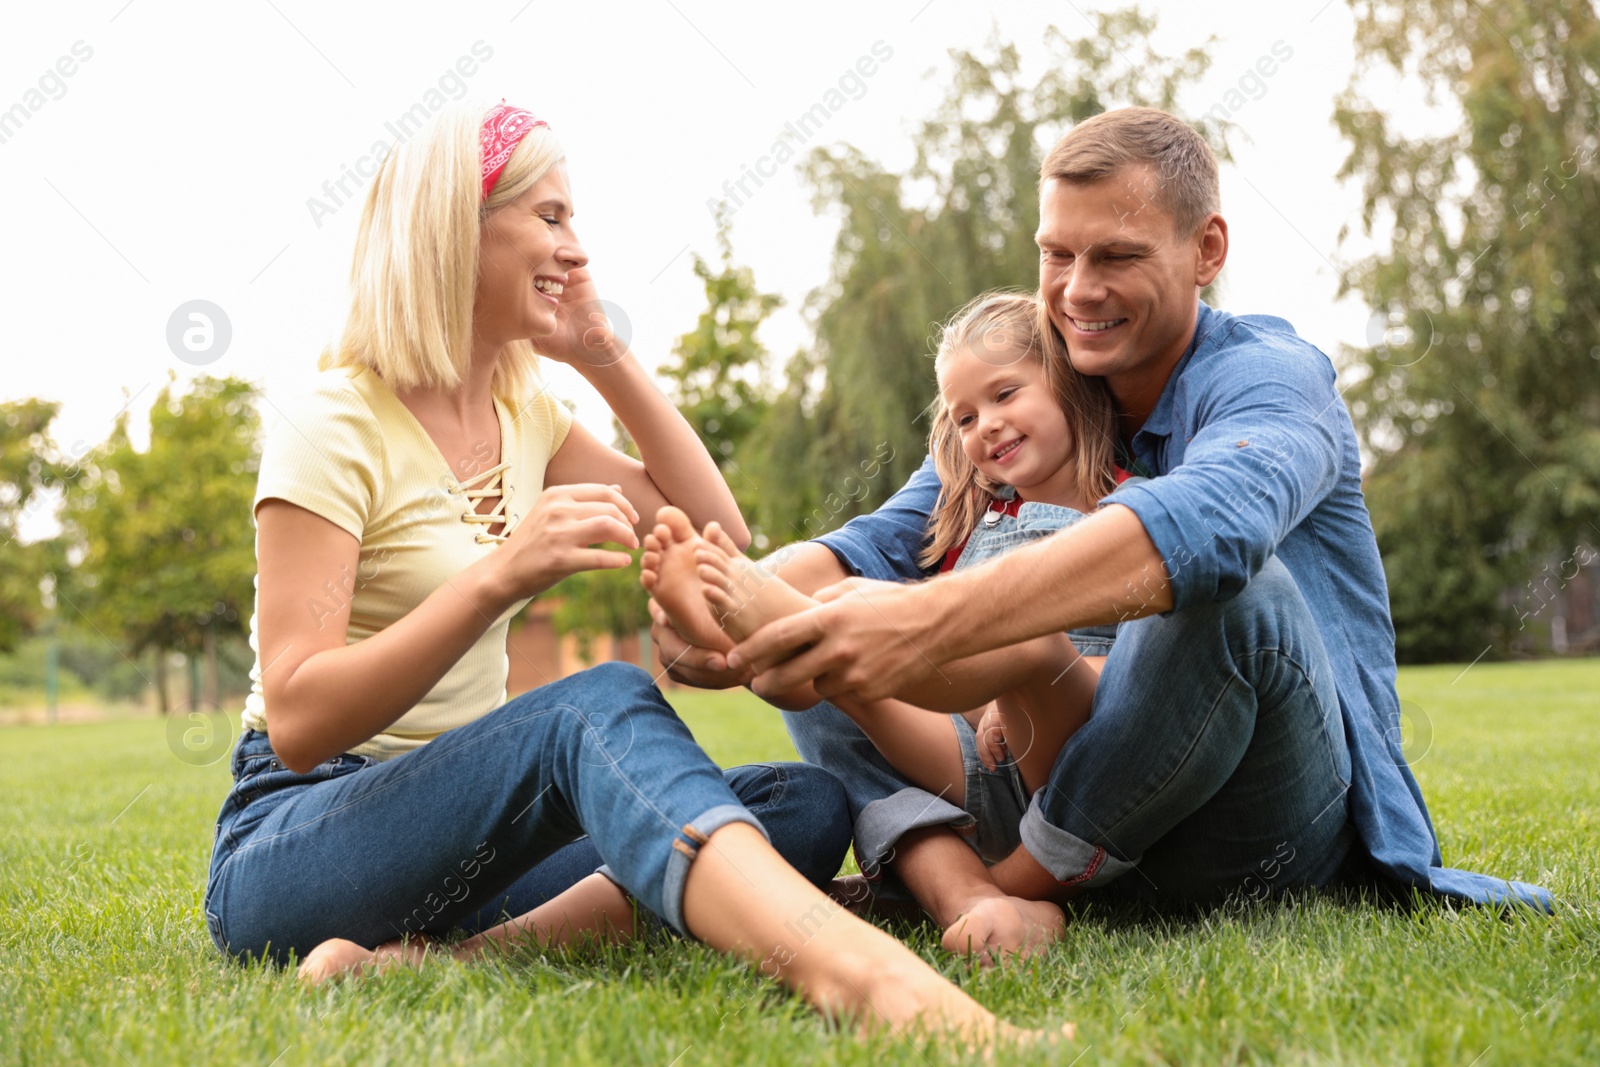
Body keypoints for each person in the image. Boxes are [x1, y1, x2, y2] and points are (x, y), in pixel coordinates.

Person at [202, 98, 1052, 1043]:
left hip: (475, 853)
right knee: (587, 704)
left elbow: (721, 535)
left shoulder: (526, 420)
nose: (576, 250)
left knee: (800, 804)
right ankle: (882, 994)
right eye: (551, 217)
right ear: (456, 230)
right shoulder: (333, 424)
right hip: (298, 842)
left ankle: (440, 961)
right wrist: (496, 578)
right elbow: (298, 721)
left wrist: (605, 356)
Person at [651, 107, 1551, 929]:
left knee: (1235, 592)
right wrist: (733, 615)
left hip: (1252, 828)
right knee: (832, 628)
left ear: (1206, 251)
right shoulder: (1038, 405)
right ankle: (960, 887)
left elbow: (1212, 527)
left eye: (1116, 256)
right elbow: (875, 546)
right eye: (1056, 255)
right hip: (1045, 795)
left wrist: (922, 624)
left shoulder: (1273, 379)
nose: (1077, 290)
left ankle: (1003, 885)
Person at [644, 291, 1140, 962]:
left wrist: (1011, 685)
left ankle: (796, 629)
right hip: (973, 774)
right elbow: (868, 544)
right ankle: (807, 645)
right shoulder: (967, 522)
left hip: (1077, 764)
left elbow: (1149, 678)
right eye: (965, 417)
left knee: (995, 653)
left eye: (1004, 394)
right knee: (837, 689)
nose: (985, 426)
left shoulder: (1132, 509)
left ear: (1069, 383)